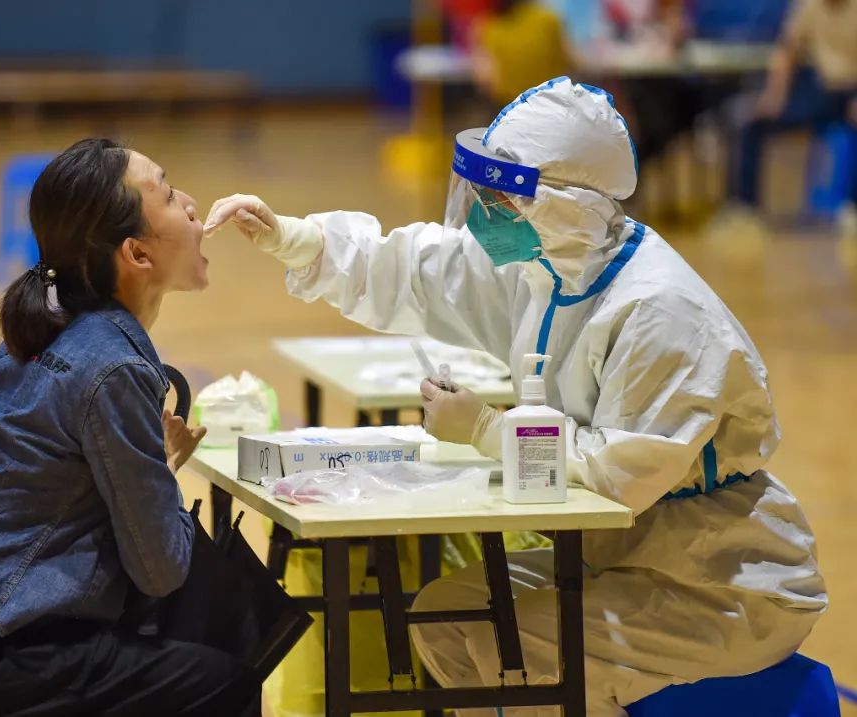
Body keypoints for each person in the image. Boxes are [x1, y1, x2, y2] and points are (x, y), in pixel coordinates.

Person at [205, 77, 827, 716]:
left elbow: (617, 480)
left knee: (518, 642)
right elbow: (425, 270)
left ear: (564, 204)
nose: (483, 211)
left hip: (721, 580)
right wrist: (296, 238)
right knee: (443, 614)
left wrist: (485, 428)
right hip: (626, 555)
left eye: (499, 196)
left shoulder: (660, 311)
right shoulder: (551, 269)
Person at [0, 138, 262, 717]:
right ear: (136, 253)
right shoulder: (114, 367)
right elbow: (160, 569)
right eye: (166, 193)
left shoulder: (41, 329)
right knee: (222, 681)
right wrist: (159, 474)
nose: (189, 203)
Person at [725, 0, 857, 233]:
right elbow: (786, 51)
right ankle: (746, 208)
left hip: (852, 91)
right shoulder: (809, 7)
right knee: (753, 124)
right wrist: (774, 96)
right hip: (820, 91)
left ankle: (852, 207)